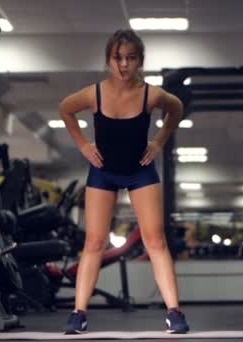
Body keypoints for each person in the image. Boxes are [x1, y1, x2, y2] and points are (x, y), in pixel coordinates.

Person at [58, 29, 189, 334]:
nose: (123, 65)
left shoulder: (151, 94)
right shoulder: (94, 93)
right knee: (94, 242)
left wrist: (158, 142)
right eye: (118, 58)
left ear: (140, 61)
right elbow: (65, 108)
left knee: (155, 240)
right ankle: (78, 314)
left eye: (131, 58)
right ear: (108, 61)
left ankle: (174, 312)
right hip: (103, 171)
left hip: (140, 171)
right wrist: (83, 145)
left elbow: (177, 109)